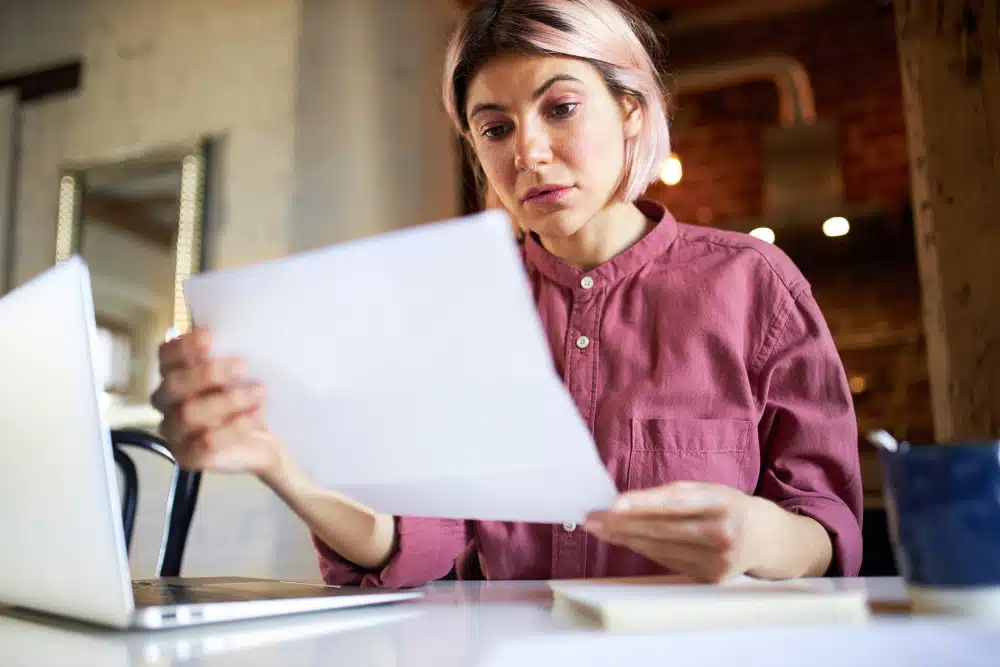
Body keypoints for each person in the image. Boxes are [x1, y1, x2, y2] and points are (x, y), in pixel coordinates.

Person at [151, 0, 863, 587]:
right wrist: (282, 465)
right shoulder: (459, 312)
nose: (527, 152)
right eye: (495, 128)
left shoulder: (753, 283)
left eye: (561, 108)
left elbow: (827, 532)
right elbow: (418, 543)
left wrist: (761, 532)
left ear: (633, 112)